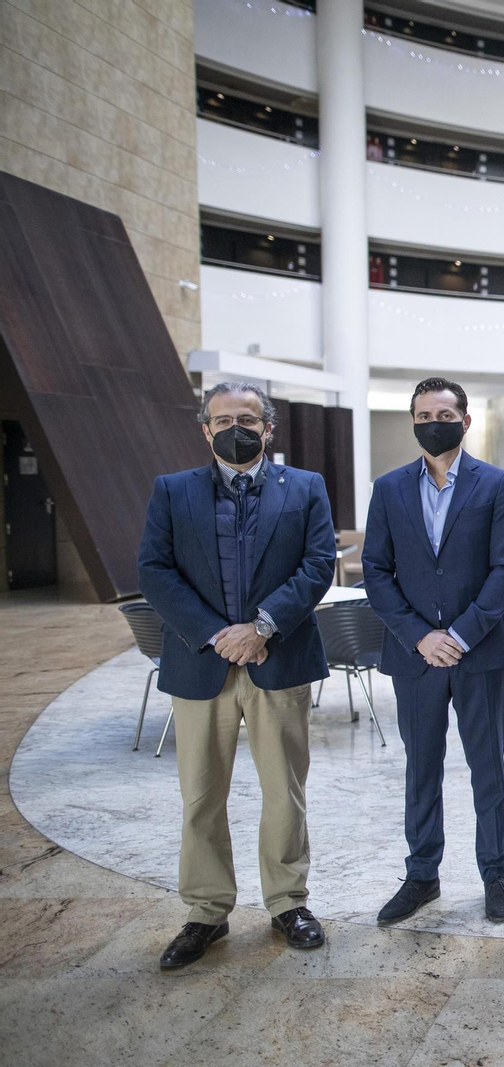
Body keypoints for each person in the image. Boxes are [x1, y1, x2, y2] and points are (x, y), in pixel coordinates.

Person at [137, 382, 334, 969]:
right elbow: (154, 570)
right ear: (205, 429)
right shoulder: (172, 491)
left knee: (285, 793)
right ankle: (205, 911)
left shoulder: (305, 487)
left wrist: (262, 627)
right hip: (202, 664)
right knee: (200, 796)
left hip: (278, 660)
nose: (234, 429)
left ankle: (287, 902)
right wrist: (216, 632)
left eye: (247, 419)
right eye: (222, 420)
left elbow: (318, 564)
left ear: (268, 427)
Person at [362, 378, 504, 925]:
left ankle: (495, 872)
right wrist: (420, 636)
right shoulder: (387, 489)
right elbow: (378, 572)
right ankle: (422, 874)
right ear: (412, 422)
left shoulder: (496, 485)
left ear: (465, 419)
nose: (434, 421)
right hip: (414, 658)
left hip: (478, 655)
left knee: (488, 768)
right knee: (421, 768)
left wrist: (458, 635)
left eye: (444, 412)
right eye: (423, 414)